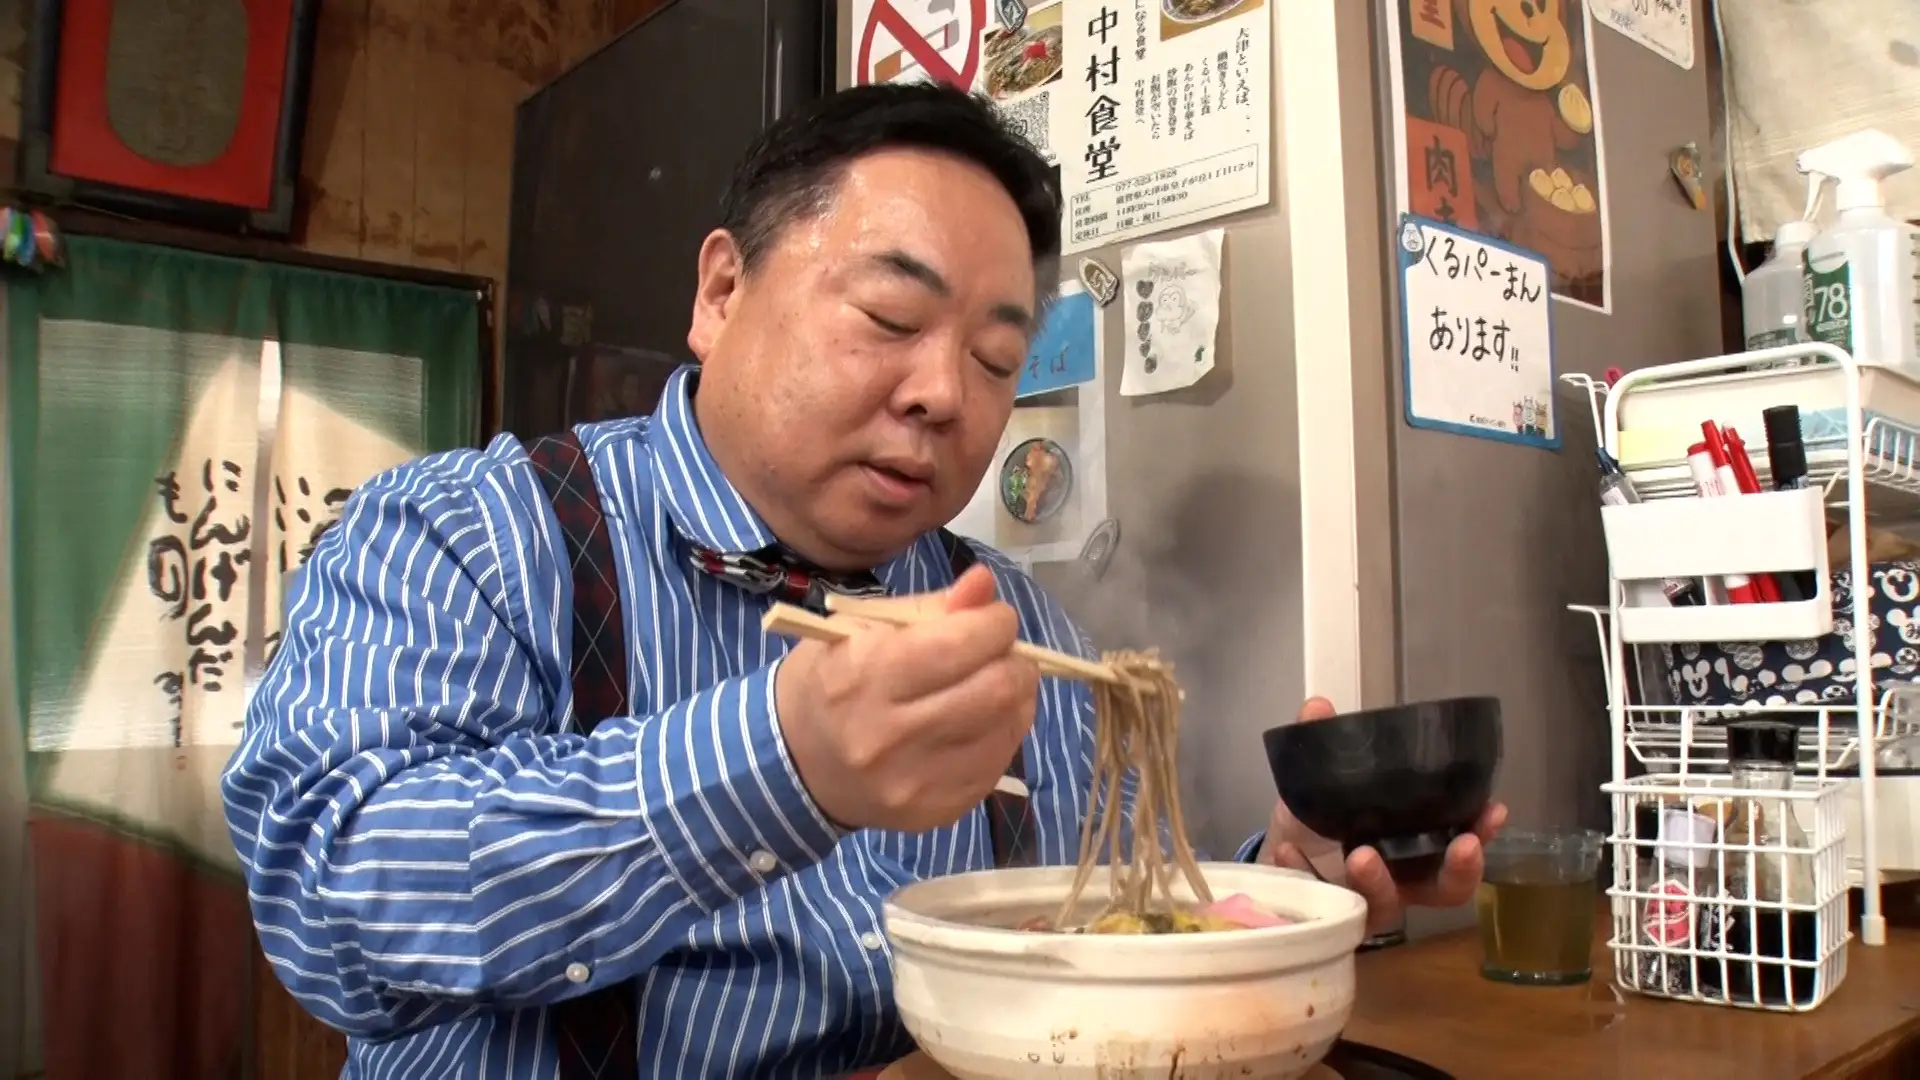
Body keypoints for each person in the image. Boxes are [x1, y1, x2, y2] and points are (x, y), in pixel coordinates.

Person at [221, 82, 1506, 1079]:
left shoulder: (1016, 626)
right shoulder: (469, 530)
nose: (944, 393)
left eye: (998, 361)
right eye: (892, 320)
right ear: (722, 290)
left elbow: (1104, 922)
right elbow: (329, 902)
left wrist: (1282, 879)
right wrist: (779, 762)